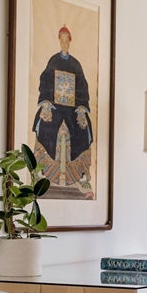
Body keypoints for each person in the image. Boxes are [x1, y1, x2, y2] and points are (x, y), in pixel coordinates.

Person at [32, 25, 94, 198]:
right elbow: (45, 81)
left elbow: (82, 86)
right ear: (59, 41)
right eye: (62, 40)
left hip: (73, 107)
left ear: (70, 42)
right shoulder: (53, 61)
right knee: (44, 124)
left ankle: (82, 177)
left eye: (66, 40)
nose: (64, 43)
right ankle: (40, 173)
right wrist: (46, 102)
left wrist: (81, 107)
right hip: (55, 105)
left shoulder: (75, 64)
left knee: (84, 128)